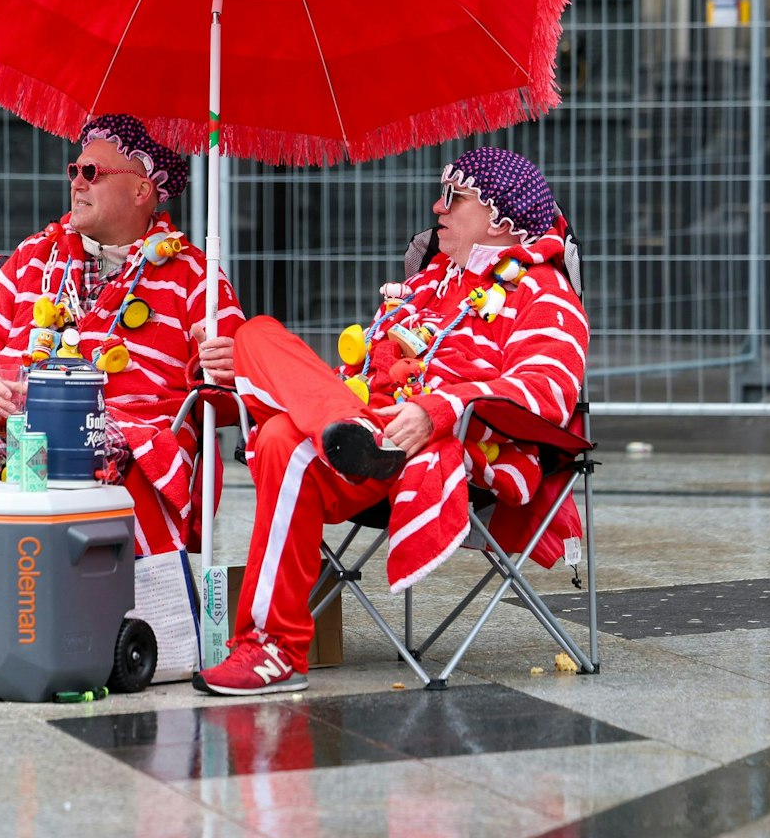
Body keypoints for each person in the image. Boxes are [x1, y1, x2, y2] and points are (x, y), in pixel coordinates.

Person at [194, 146, 588, 695]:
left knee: (284, 432)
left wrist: (437, 410)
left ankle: (272, 648)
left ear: (500, 217)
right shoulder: (428, 283)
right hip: (362, 432)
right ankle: (337, 430)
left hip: (429, 451)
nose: (437, 207)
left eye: (454, 197)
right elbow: (360, 368)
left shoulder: (543, 294)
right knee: (255, 336)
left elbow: (545, 390)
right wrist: (255, 371)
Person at [0, 114, 242, 556]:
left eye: (92, 172)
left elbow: (236, 395)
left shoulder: (195, 275)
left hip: (116, 438)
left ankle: (38, 575)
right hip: (10, 432)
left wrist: (224, 367)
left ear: (141, 189)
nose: (77, 182)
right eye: (74, 170)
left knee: (71, 441)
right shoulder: (35, 254)